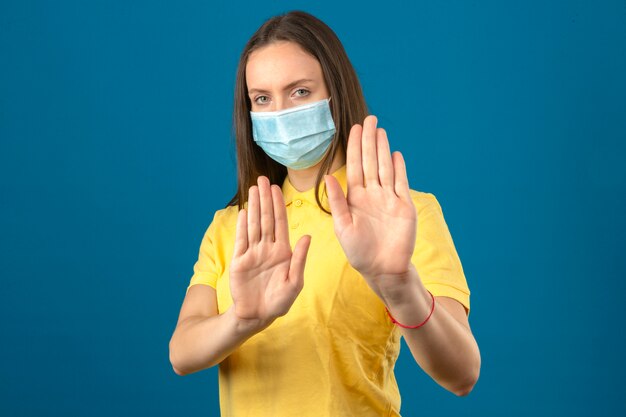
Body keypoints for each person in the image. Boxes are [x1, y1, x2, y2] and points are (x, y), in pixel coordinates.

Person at [169, 10, 480, 417]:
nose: (280, 112)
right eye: (262, 98)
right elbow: (182, 353)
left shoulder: (402, 212)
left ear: (336, 90)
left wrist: (399, 285)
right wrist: (243, 319)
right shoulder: (234, 226)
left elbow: (462, 374)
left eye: (300, 92)